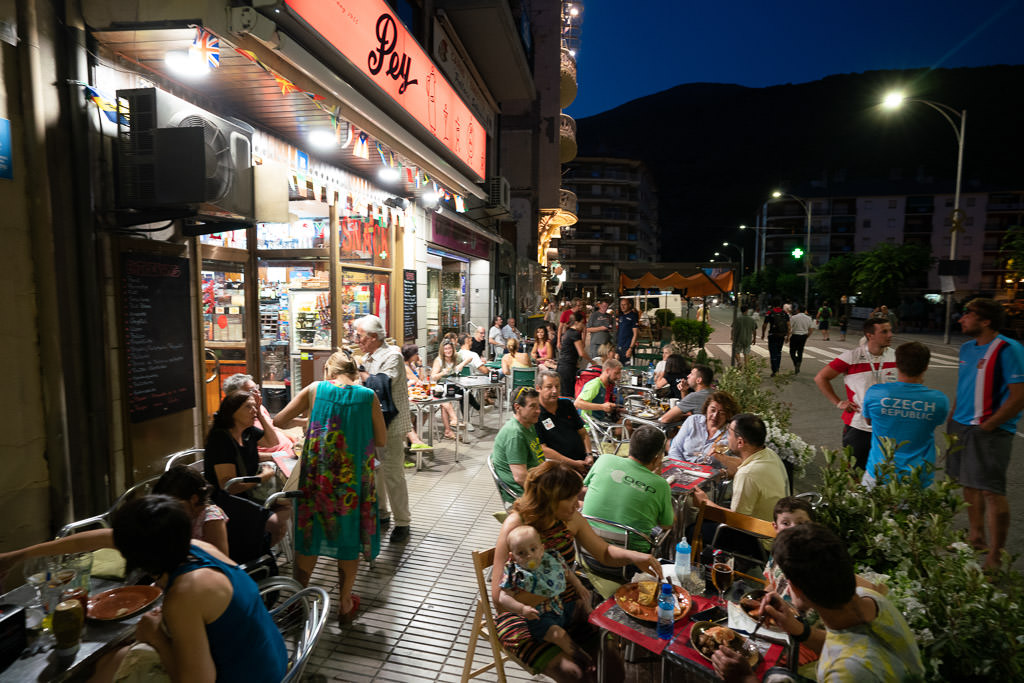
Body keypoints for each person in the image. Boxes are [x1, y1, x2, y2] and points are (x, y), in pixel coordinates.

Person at [491, 461, 663, 682]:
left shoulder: (569, 519)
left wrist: (635, 557)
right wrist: (554, 587)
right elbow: (498, 598)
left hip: (568, 607)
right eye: (570, 499)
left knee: (613, 668)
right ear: (550, 499)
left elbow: (604, 552)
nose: (577, 504)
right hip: (524, 617)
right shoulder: (517, 528)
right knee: (577, 674)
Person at [91, 495, 288, 683]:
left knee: (113, 666)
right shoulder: (198, 548)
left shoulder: (184, 594)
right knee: (110, 662)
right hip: (272, 663)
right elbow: (108, 538)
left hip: (252, 677)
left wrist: (156, 638)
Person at [712, 524, 923, 683]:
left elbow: (851, 656)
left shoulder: (849, 673)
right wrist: (796, 628)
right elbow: (843, 642)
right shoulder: (869, 599)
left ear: (794, 589)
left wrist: (746, 679)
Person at [273, 351, 387, 623]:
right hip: (352, 482)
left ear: (328, 371)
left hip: (317, 479)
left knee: (309, 535)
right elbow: (381, 439)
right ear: (353, 372)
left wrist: (309, 420)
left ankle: (296, 601)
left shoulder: (315, 389)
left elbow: (279, 421)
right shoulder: (367, 396)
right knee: (348, 537)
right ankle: (345, 604)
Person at [0, 467, 232, 574]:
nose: (169, 511)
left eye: (175, 505)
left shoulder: (210, 518)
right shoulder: (164, 521)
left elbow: (221, 565)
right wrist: (18, 556)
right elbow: (91, 540)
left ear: (193, 499)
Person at [947, 298, 1024, 570]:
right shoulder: (967, 348)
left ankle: (995, 554)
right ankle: (976, 537)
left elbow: (1019, 396)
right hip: (961, 425)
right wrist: (952, 418)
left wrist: (990, 425)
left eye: (968, 314)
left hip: (989, 430)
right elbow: (964, 385)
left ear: (986, 320)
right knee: (968, 484)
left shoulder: (1008, 349)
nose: (961, 318)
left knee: (992, 491)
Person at [499, 525, 594, 668]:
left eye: (533, 549)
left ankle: (593, 627)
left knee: (582, 603)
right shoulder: (514, 573)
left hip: (560, 608)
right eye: (521, 553)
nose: (529, 555)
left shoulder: (550, 559)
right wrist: (522, 609)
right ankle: (580, 657)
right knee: (559, 635)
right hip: (539, 619)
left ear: (542, 549)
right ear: (512, 556)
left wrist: (578, 585)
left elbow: (567, 572)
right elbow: (503, 597)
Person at [354, 314, 412, 544]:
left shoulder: (393, 356)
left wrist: (360, 371)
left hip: (392, 426)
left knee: (393, 474)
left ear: (374, 337)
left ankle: (403, 522)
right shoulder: (367, 357)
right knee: (375, 472)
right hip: (370, 425)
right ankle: (382, 513)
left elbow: (379, 384)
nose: (356, 340)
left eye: (360, 336)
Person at [203, 391, 288, 545]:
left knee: (290, 503)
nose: (254, 411)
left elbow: (272, 441)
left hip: (250, 493)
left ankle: (257, 544)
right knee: (277, 523)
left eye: (255, 407)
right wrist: (262, 477)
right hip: (227, 501)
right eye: (248, 407)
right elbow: (229, 487)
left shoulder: (247, 431)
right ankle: (254, 551)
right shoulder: (221, 440)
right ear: (232, 412)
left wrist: (260, 415)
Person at [861, 341, 949, 488]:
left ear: (897, 364)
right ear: (926, 366)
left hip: (879, 472)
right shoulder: (938, 400)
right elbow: (935, 422)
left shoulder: (875, 393)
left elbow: (869, 421)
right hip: (918, 478)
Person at [813, 317, 896, 471]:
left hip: (888, 427)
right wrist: (839, 403)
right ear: (870, 335)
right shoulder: (852, 356)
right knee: (855, 474)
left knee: (885, 476)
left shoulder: (896, 356)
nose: (890, 334)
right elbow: (821, 378)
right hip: (859, 427)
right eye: (884, 331)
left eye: (890, 330)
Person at [582, 425, 674, 552]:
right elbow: (667, 524)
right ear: (658, 457)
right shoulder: (661, 485)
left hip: (587, 551)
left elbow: (585, 487)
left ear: (630, 447)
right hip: (632, 561)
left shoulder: (604, 460)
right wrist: (656, 477)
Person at [693, 413, 790, 523]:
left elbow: (738, 521)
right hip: (779, 523)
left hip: (758, 535)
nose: (727, 439)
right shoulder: (768, 454)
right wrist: (721, 459)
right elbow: (745, 463)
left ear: (740, 442)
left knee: (694, 525)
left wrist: (704, 503)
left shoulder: (746, 474)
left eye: (729, 434)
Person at [667, 391, 742, 475]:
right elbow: (675, 449)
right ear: (707, 408)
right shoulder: (693, 421)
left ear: (728, 415)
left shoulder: (731, 433)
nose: (715, 415)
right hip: (680, 470)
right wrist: (682, 470)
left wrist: (722, 460)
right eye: (712, 410)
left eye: (721, 413)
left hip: (708, 476)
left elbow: (739, 464)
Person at [491, 388, 546, 503]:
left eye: (538, 406)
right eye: (532, 406)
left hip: (538, 481)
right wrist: (548, 491)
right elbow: (521, 478)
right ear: (517, 407)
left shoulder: (529, 424)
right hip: (525, 495)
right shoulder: (515, 435)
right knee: (577, 504)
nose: (538, 411)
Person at [221, 374, 296, 456]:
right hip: (279, 458)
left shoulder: (259, 407)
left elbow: (272, 430)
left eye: (256, 387)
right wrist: (279, 455)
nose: (258, 392)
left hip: (289, 450)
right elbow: (244, 455)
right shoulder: (238, 421)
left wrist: (289, 437)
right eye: (252, 391)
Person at [536, 370, 593, 473]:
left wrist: (589, 455)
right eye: (549, 387)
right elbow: (544, 449)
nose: (554, 391)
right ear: (538, 388)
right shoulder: (535, 413)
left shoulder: (567, 404)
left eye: (557, 387)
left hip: (583, 460)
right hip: (559, 466)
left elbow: (583, 433)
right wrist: (574, 463)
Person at [761, 496, 814, 595]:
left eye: (800, 523)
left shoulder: (812, 561)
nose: (793, 528)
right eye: (786, 523)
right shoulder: (777, 550)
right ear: (776, 527)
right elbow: (772, 584)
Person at [401, 344, 435, 452]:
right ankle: (413, 440)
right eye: (416, 354)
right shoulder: (405, 367)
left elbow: (420, 380)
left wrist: (420, 366)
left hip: (415, 396)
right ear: (411, 355)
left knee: (426, 411)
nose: (418, 356)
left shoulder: (412, 366)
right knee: (419, 412)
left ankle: (413, 439)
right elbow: (417, 381)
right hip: (408, 397)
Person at [557, 311, 590, 398]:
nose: (583, 326)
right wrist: (593, 362)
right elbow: (581, 352)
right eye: (582, 323)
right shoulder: (575, 334)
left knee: (564, 393)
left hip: (563, 366)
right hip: (568, 367)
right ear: (576, 322)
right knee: (569, 395)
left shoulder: (568, 332)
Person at [761, 300, 790, 377]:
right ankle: (777, 369)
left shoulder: (769, 313)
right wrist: (788, 336)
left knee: (773, 352)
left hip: (772, 335)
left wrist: (763, 334)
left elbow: (764, 325)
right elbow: (789, 326)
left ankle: (774, 370)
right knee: (778, 352)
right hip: (781, 335)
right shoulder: (784, 313)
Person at [788, 304, 814, 375]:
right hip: (803, 336)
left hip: (795, 336)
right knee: (800, 351)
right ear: (805, 311)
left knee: (792, 351)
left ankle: (795, 362)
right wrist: (807, 336)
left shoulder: (793, 317)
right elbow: (811, 329)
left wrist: (787, 337)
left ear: (798, 310)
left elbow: (789, 328)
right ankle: (798, 363)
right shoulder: (809, 318)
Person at [616, 298, 640, 362]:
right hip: (619, 346)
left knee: (627, 368)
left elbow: (635, 334)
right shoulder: (621, 316)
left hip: (627, 347)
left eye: (625, 305)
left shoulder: (633, 316)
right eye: (621, 305)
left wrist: (631, 348)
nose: (622, 307)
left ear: (629, 305)